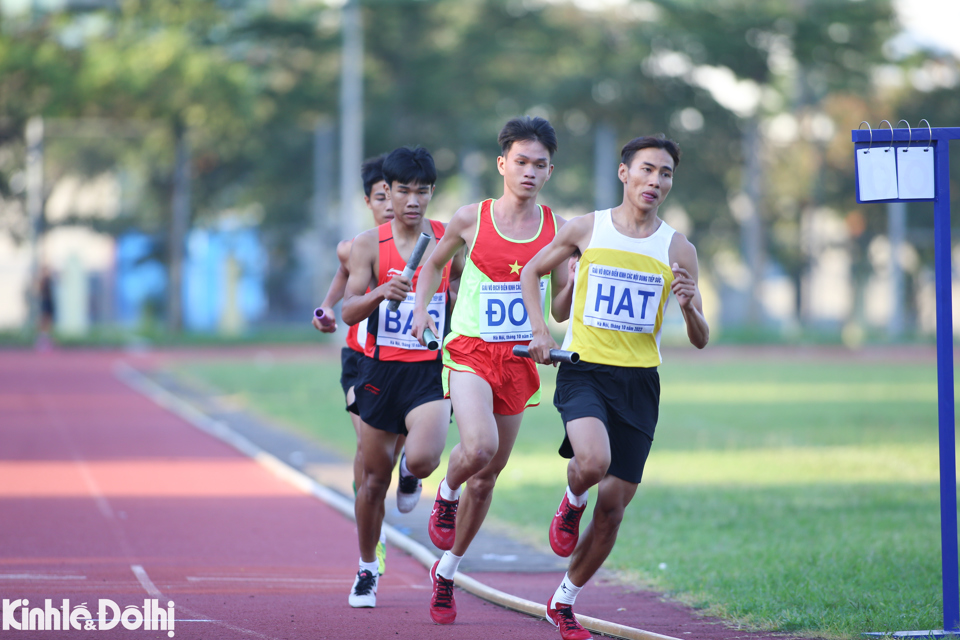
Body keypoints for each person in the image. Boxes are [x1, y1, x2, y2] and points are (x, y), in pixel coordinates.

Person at [519, 135, 709, 640]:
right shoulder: (588, 228)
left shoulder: (678, 247)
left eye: (665, 174)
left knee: (614, 509)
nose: (655, 181)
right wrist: (540, 330)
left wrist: (689, 305)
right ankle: (571, 498)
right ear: (625, 173)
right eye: (647, 170)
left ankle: (564, 602)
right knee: (593, 462)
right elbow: (531, 272)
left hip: (640, 384)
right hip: (584, 369)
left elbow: (701, 338)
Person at [411, 116, 574, 625]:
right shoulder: (470, 217)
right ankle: (445, 493)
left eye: (539, 164)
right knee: (476, 449)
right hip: (470, 351)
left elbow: (563, 308)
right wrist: (422, 311)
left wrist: (578, 277)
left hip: (521, 362)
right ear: (503, 164)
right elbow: (435, 265)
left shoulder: (558, 229)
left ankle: (448, 571)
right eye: (520, 162)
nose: (529, 171)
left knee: (489, 478)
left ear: (549, 171)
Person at [341, 146, 464, 609]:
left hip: (428, 370)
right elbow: (349, 309)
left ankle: (412, 474)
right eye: (404, 191)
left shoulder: (447, 239)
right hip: (380, 371)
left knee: (426, 457)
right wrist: (378, 293)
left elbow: (459, 294)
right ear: (387, 192)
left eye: (423, 191)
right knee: (373, 481)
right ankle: (367, 568)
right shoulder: (369, 245)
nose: (414, 201)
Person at [312, 154, 405, 576]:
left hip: (405, 359)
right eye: (381, 196)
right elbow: (341, 274)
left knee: (395, 447)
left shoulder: (421, 243)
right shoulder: (356, 246)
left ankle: (406, 471)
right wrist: (326, 308)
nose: (390, 204)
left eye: (396, 193)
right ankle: (374, 531)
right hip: (360, 357)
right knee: (368, 453)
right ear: (368, 200)